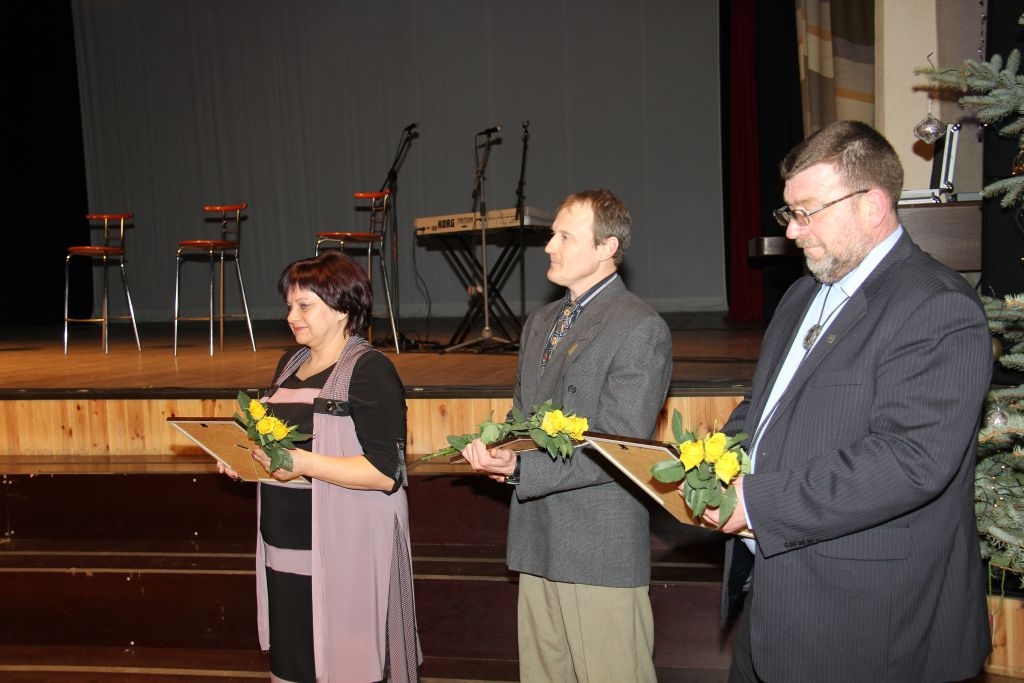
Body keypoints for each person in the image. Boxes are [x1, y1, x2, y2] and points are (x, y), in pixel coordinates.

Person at [697, 120, 992, 682]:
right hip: (776, 610)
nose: (793, 231)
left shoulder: (937, 306)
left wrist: (756, 504)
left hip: (871, 628)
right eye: (789, 213)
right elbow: (763, 408)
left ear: (873, 206)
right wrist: (713, 463)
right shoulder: (802, 294)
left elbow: (909, 462)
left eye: (807, 212)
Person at [461, 188, 673, 682]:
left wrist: (521, 468)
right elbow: (524, 421)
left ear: (606, 248)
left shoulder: (639, 327)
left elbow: (618, 447)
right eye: (552, 234)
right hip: (536, 540)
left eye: (564, 236)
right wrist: (500, 455)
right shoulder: (540, 322)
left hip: (597, 547)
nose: (549, 246)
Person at [220, 251, 420, 683]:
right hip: (286, 547)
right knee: (297, 666)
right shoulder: (288, 365)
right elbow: (278, 451)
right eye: (289, 306)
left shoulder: (370, 370)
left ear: (343, 309)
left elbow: (386, 473)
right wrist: (245, 460)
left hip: (345, 549)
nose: (292, 316)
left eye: (304, 305)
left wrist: (305, 464)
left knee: (350, 664)